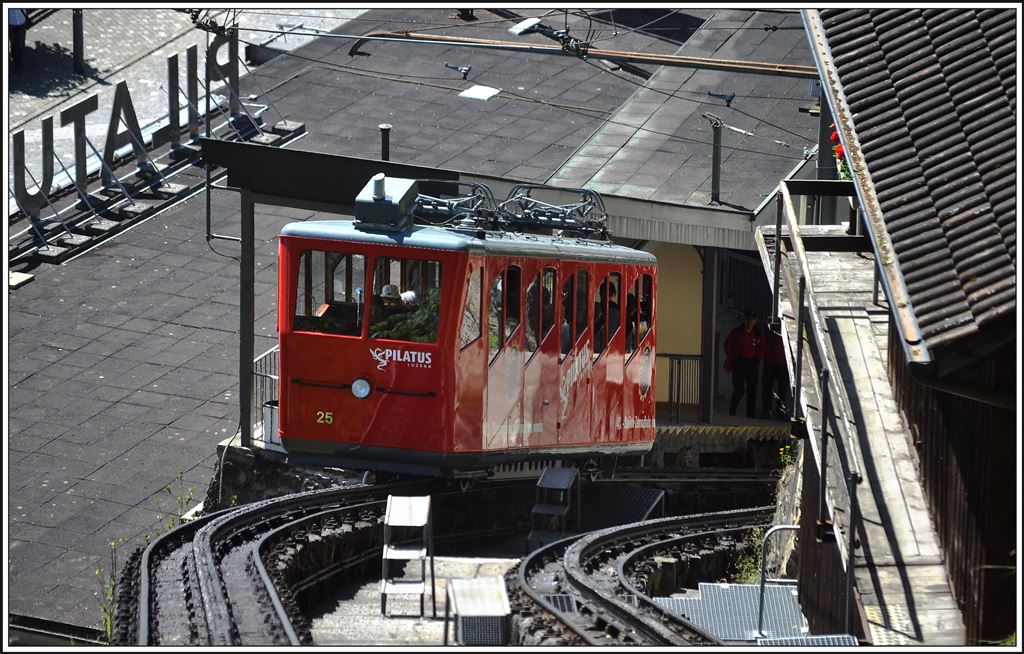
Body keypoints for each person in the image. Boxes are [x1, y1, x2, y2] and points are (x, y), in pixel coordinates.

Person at [723, 309, 765, 418]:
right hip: (739, 363)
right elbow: (727, 345)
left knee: (752, 390)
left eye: (752, 319)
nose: (749, 321)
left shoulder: (758, 333)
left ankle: (751, 414)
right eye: (747, 319)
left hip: (752, 363)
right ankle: (732, 411)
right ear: (744, 319)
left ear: (755, 321)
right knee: (739, 389)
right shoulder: (736, 332)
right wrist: (733, 358)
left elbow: (763, 346)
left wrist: (757, 358)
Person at [762, 327, 790, 419]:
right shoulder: (769, 329)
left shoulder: (772, 328)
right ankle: (768, 411)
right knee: (769, 388)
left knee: (781, 389)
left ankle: (778, 411)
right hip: (772, 362)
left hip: (779, 363)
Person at [9, 8, 28, 73]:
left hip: (21, 21)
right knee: (13, 44)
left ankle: (19, 64)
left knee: (20, 44)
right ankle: (16, 64)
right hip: (10, 23)